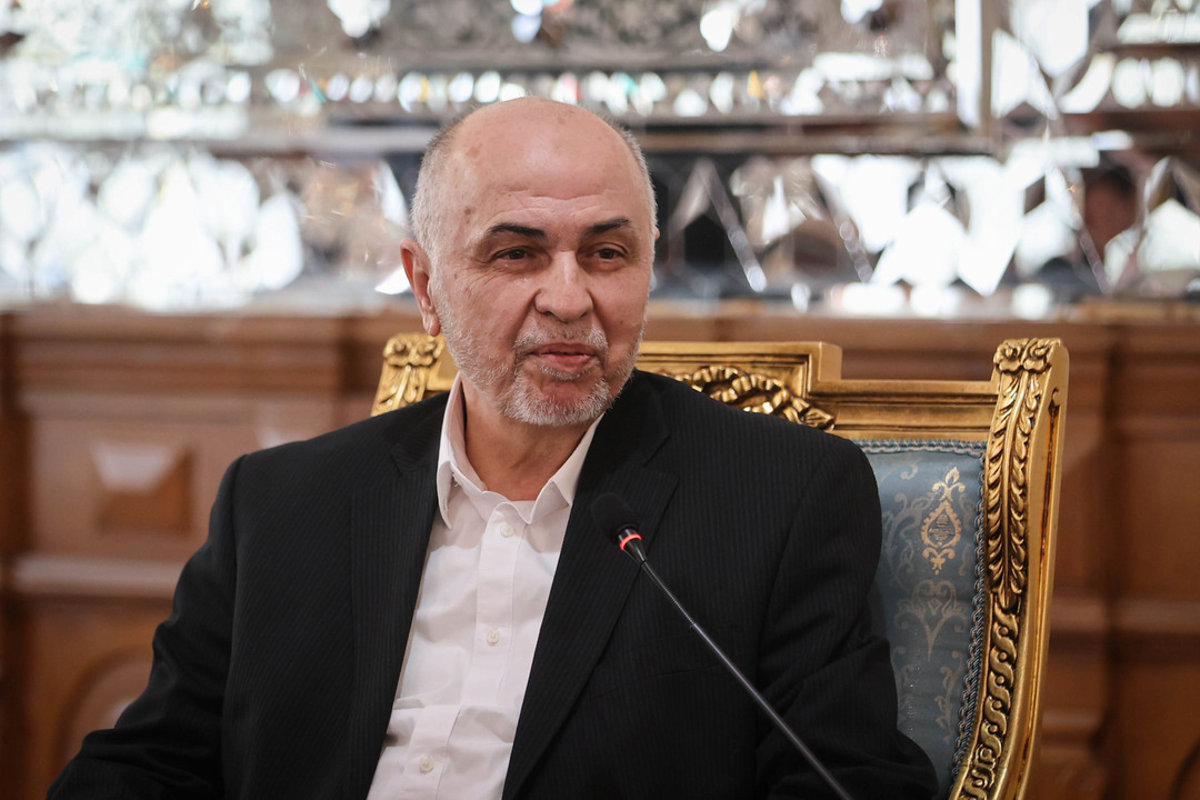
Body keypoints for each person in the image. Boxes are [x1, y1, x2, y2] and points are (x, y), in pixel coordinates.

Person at [49, 98, 936, 799]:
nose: (569, 299)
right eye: (517, 255)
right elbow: (147, 767)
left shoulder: (779, 500)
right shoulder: (280, 507)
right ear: (426, 287)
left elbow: (847, 780)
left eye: (607, 253)